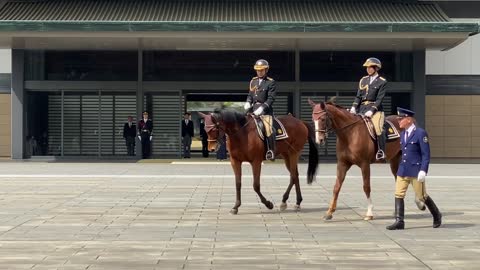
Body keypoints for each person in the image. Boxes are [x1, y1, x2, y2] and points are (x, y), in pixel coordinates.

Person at [386, 107, 442, 230]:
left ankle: (437, 214)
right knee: (398, 194)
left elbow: (426, 154)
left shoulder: (420, 133)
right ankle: (399, 221)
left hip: (416, 170)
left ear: (409, 120)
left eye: (401, 119)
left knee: (422, 196)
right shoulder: (402, 134)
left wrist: (423, 170)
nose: (399, 121)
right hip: (403, 169)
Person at [350, 57, 387, 160]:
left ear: (376, 68)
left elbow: (380, 99)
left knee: (378, 129)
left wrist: (372, 110)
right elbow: (358, 96)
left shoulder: (382, 81)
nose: (368, 69)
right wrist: (353, 107)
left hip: (376, 111)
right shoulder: (363, 80)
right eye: (367, 67)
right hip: (361, 109)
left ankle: (381, 151)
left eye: (370, 67)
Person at [244, 59, 277, 161]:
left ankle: (270, 151)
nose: (259, 72)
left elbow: (271, 98)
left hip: (265, 112)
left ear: (266, 70)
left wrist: (262, 108)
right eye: (258, 70)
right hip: (253, 110)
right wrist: (248, 102)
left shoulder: (270, 82)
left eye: (261, 70)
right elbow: (250, 95)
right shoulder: (253, 81)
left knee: (268, 129)